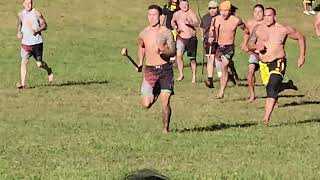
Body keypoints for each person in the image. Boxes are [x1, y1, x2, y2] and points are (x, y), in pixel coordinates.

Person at [247, 7, 306, 125]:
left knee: (271, 87)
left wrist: (302, 56)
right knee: (270, 86)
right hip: (263, 63)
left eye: (269, 16)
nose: (267, 18)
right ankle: (287, 85)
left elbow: (301, 37)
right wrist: (256, 47)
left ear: (275, 17)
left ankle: (266, 118)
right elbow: (249, 44)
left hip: (278, 61)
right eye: (265, 16)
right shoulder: (258, 29)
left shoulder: (283, 29)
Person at [138, 5, 176, 133]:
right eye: (150, 15)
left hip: (165, 70)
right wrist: (139, 62)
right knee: (146, 104)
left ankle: (166, 129)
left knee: (165, 102)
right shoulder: (143, 33)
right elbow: (141, 47)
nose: (152, 17)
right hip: (150, 70)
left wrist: (164, 51)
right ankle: (157, 90)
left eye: (154, 15)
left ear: (160, 16)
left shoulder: (166, 32)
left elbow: (173, 51)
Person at [208, 1, 249, 98]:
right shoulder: (215, 20)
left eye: (226, 11)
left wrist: (245, 42)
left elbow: (247, 30)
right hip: (219, 47)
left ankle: (221, 91)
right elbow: (211, 33)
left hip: (229, 47)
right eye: (222, 10)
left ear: (230, 11)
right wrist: (210, 38)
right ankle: (232, 73)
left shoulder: (236, 20)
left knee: (224, 66)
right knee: (223, 68)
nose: (224, 13)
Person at [17, 0, 54, 89]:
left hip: (37, 43)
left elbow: (45, 25)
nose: (28, 5)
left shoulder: (36, 13)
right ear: (23, 4)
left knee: (39, 64)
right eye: (26, 3)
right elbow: (20, 24)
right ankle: (23, 84)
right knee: (23, 62)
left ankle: (49, 70)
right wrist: (19, 32)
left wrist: (37, 30)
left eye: (30, 3)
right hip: (26, 44)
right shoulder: (20, 14)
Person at [171, 0, 199, 83]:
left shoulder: (191, 13)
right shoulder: (177, 14)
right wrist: (175, 28)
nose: (185, 6)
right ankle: (181, 74)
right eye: (183, 4)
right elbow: (172, 21)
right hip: (181, 38)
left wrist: (190, 23)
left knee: (192, 59)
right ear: (179, 5)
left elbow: (197, 23)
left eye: (186, 5)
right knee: (178, 55)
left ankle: (194, 76)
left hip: (191, 39)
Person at [242, 4, 264, 102]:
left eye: (260, 12)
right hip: (254, 52)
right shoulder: (250, 23)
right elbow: (246, 33)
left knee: (269, 77)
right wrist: (244, 43)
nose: (258, 14)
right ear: (253, 13)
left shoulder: (267, 23)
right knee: (250, 72)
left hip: (265, 53)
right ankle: (252, 95)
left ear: (263, 13)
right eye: (256, 12)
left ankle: (273, 97)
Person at [200, 0, 219, 88]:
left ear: (217, 8)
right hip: (209, 42)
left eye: (214, 8)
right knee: (210, 59)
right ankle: (210, 79)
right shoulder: (205, 18)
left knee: (220, 60)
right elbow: (202, 28)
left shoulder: (220, 17)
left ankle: (224, 76)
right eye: (210, 8)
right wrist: (202, 36)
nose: (212, 10)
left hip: (219, 41)